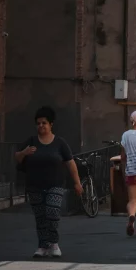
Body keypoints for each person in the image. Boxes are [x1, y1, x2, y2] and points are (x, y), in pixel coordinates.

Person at [14, 106, 82, 258]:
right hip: (34, 185)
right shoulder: (31, 141)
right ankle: (42, 245)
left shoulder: (60, 143)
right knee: (40, 217)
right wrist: (25, 152)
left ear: (51, 124)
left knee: (52, 212)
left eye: (44, 123)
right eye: (38, 123)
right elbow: (17, 157)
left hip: (55, 184)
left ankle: (54, 243)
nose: (41, 126)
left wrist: (77, 183)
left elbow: (70, 163)